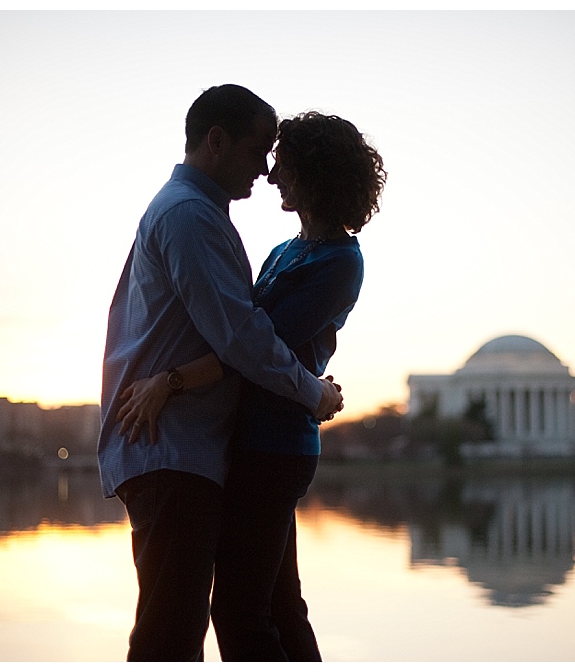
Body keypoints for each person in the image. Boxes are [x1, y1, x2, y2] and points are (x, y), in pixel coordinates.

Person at [117, 111, 386, 661]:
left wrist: (169, 382)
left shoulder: (339, 262)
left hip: (278, 444)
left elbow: (258, 347)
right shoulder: (289, 251)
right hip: (252, 441)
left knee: (239, 609)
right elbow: (243, 337)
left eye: (282, 164)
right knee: (280, 604)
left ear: (314, 175)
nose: (270, 175)